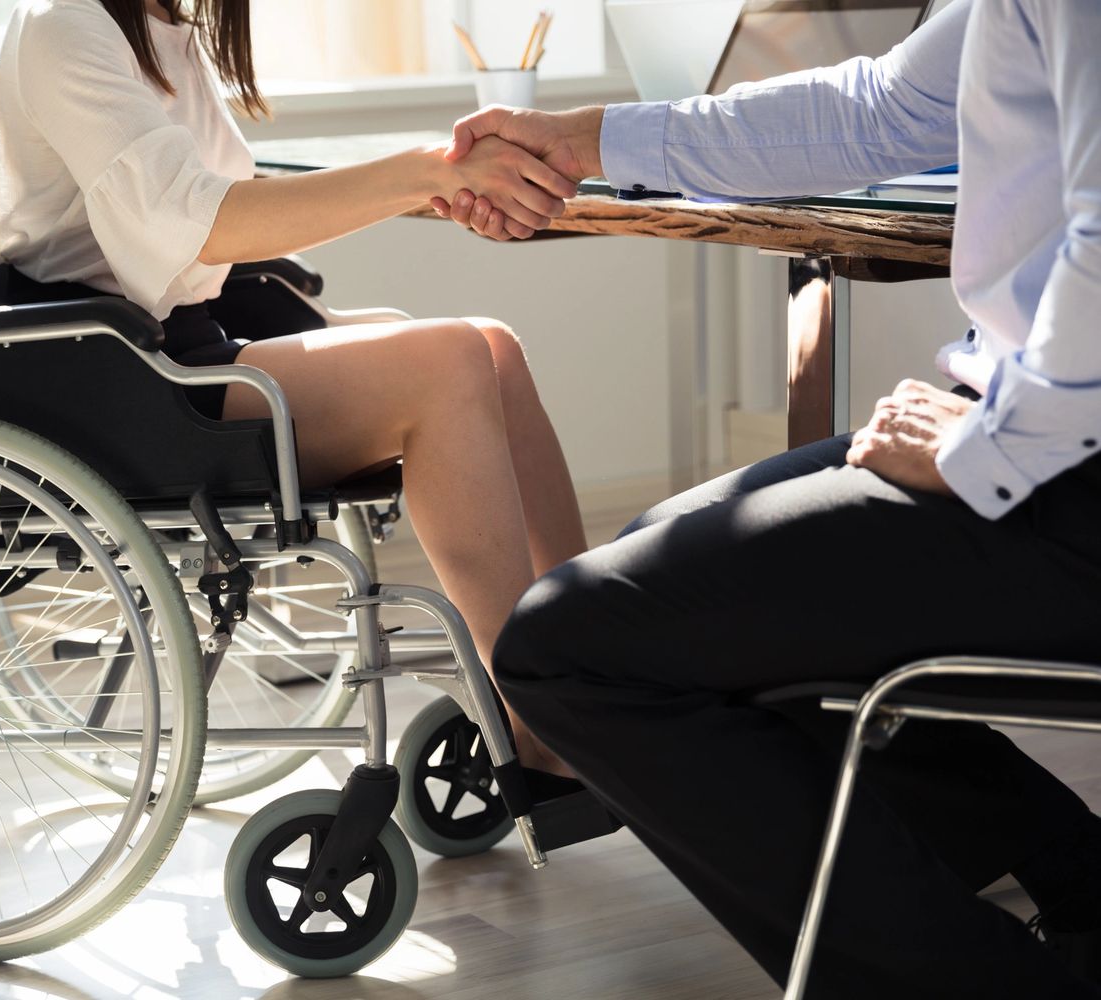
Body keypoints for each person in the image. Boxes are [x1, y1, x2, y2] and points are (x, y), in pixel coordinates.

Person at [436, 0, 1101, 996]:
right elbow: (877, 109)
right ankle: (1083, 888)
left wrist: (989, 447)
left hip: (1064, 474)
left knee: (571, 646)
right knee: (661, 562)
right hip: (1037, 432)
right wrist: (587, 140)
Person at [0, 0, 582, 775]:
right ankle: (539, 721)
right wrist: (422, 174)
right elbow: (192, 223)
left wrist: (434, 182)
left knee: (491, 348)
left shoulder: (162, 25)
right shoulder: (66, 23)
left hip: (184, 340)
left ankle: (585, 662)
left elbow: (215, 217)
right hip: (115, 377)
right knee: (450, 361)